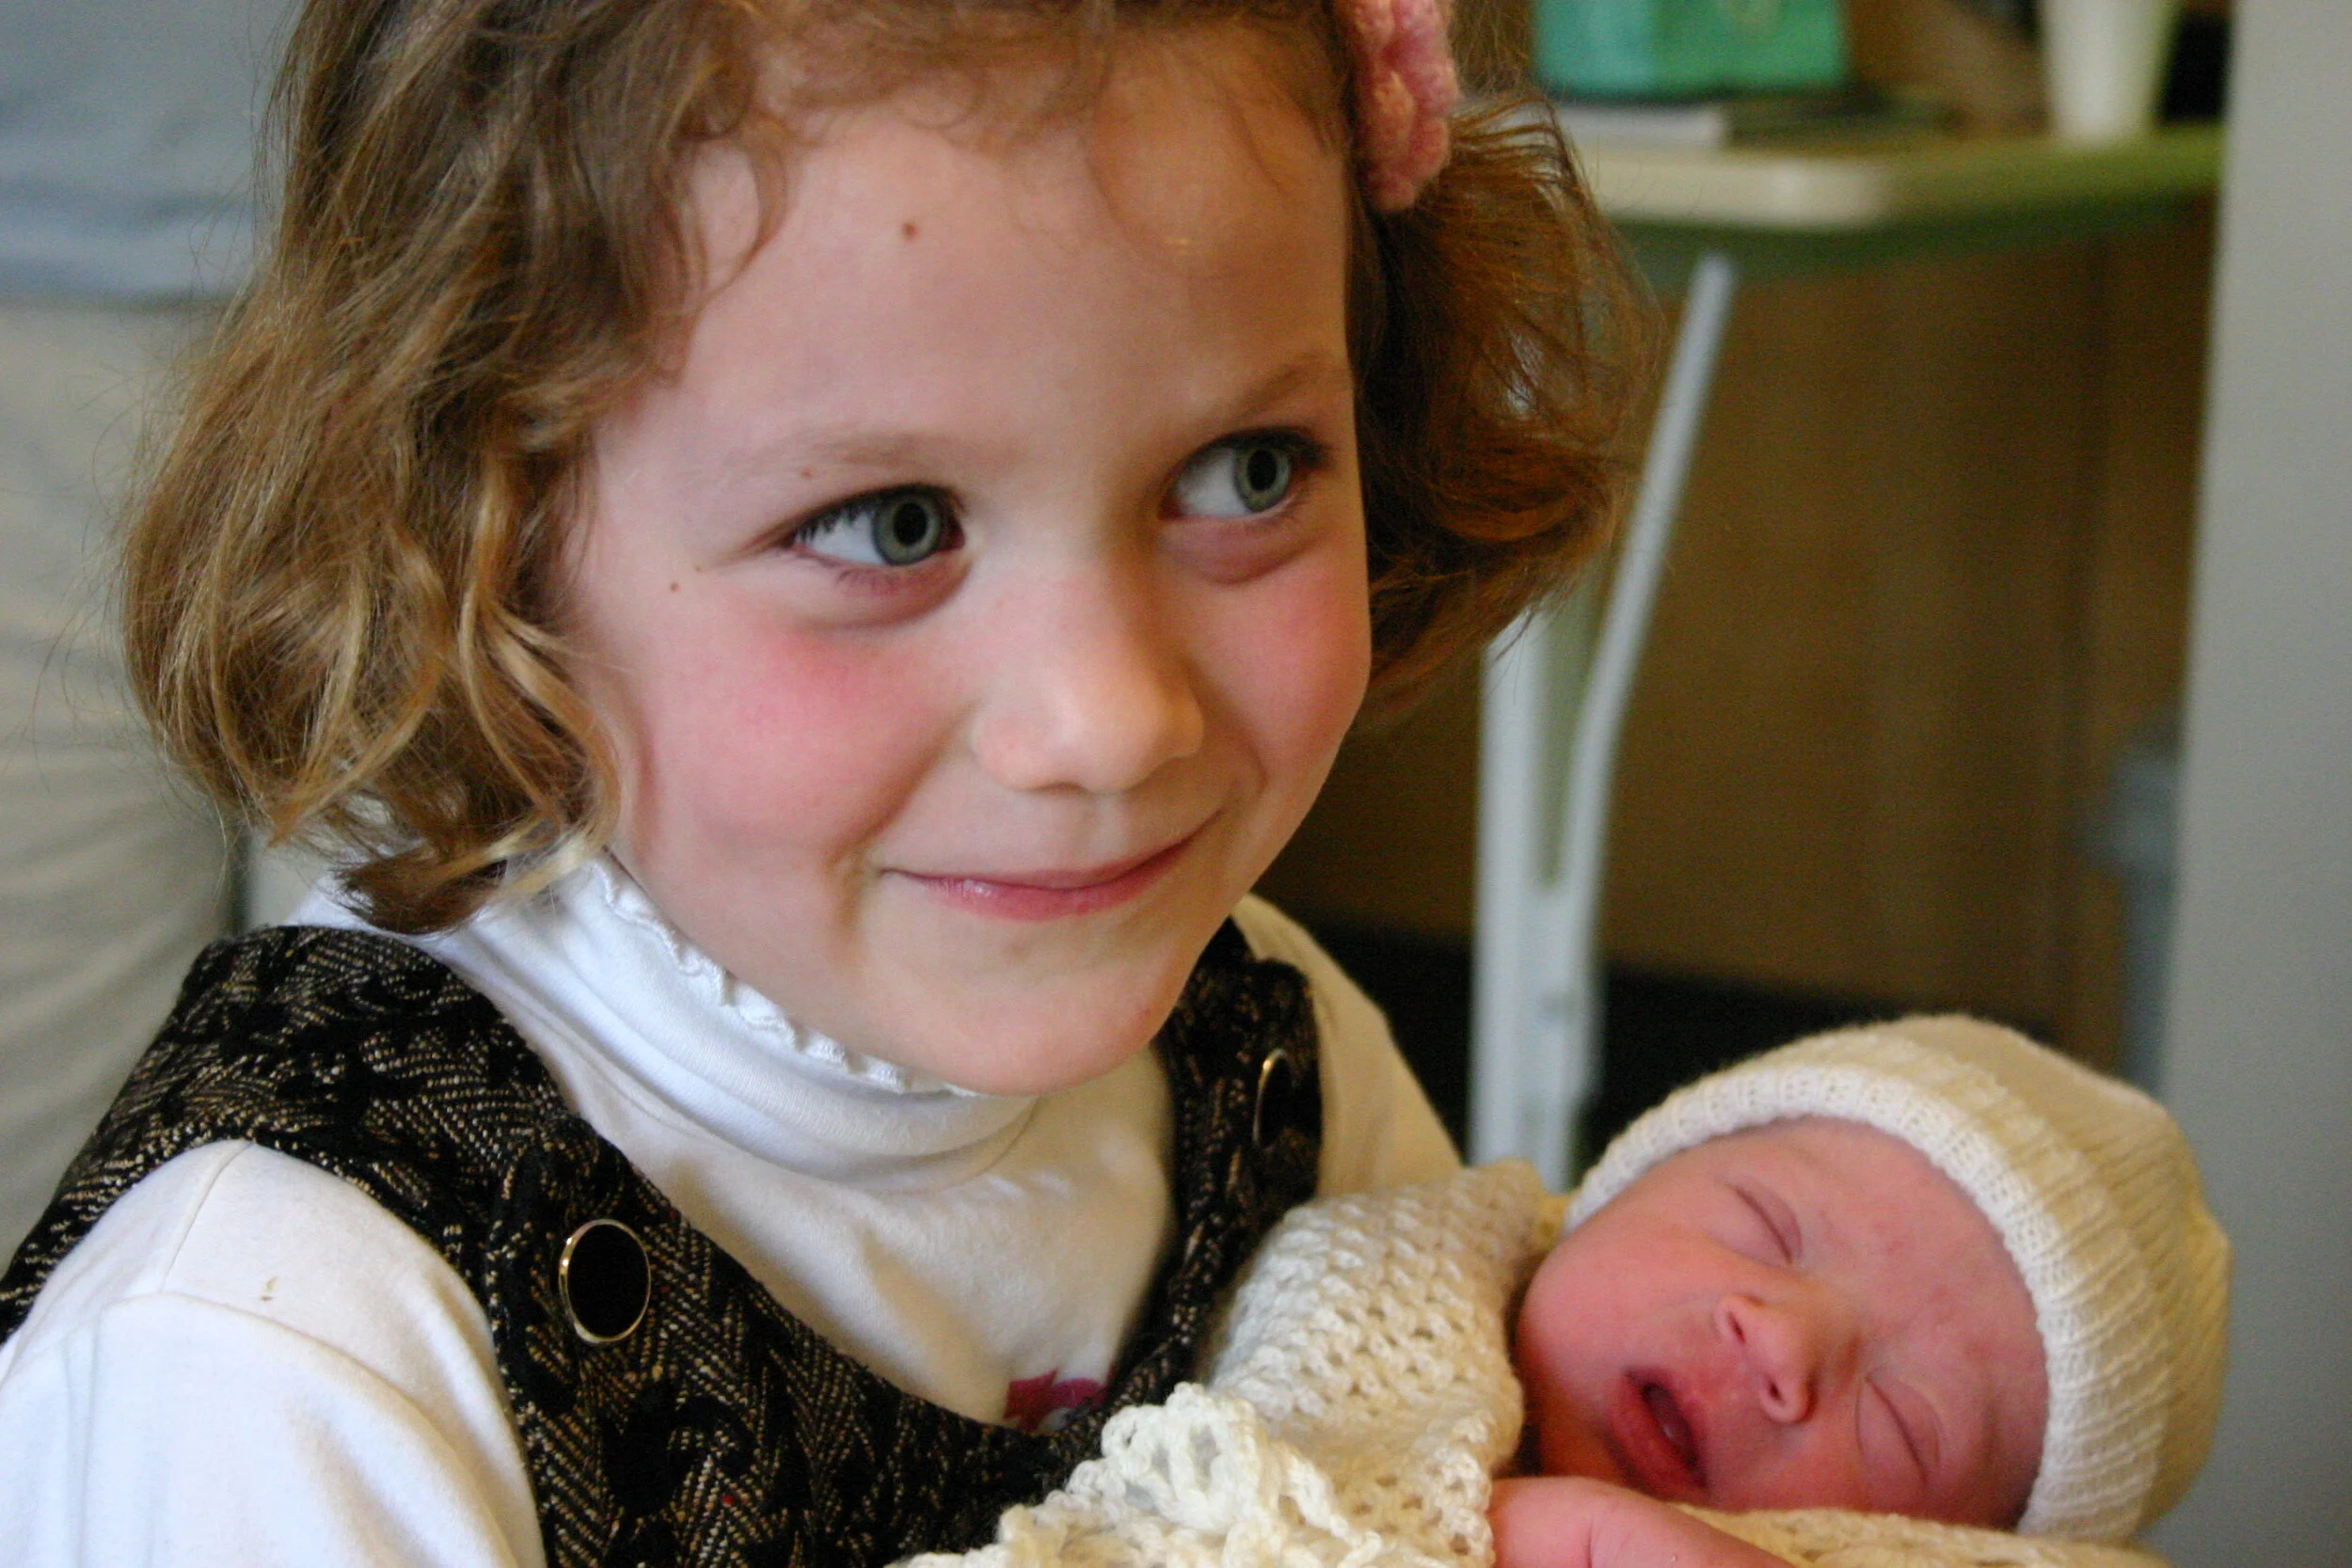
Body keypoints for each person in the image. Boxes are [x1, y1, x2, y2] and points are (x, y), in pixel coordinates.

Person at [0, 0, 1643, 1562]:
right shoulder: (290, 1349)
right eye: (893, 525)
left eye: (1248, 472)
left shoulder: (1280, 1058)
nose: (1112, 720)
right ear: (483, 538)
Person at [914, 1017, 2229, 1568]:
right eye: (1764, 1224)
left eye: (1905, 1427)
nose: (1781, 1340)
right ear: (1623, 1179)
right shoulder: (1364, 1262)